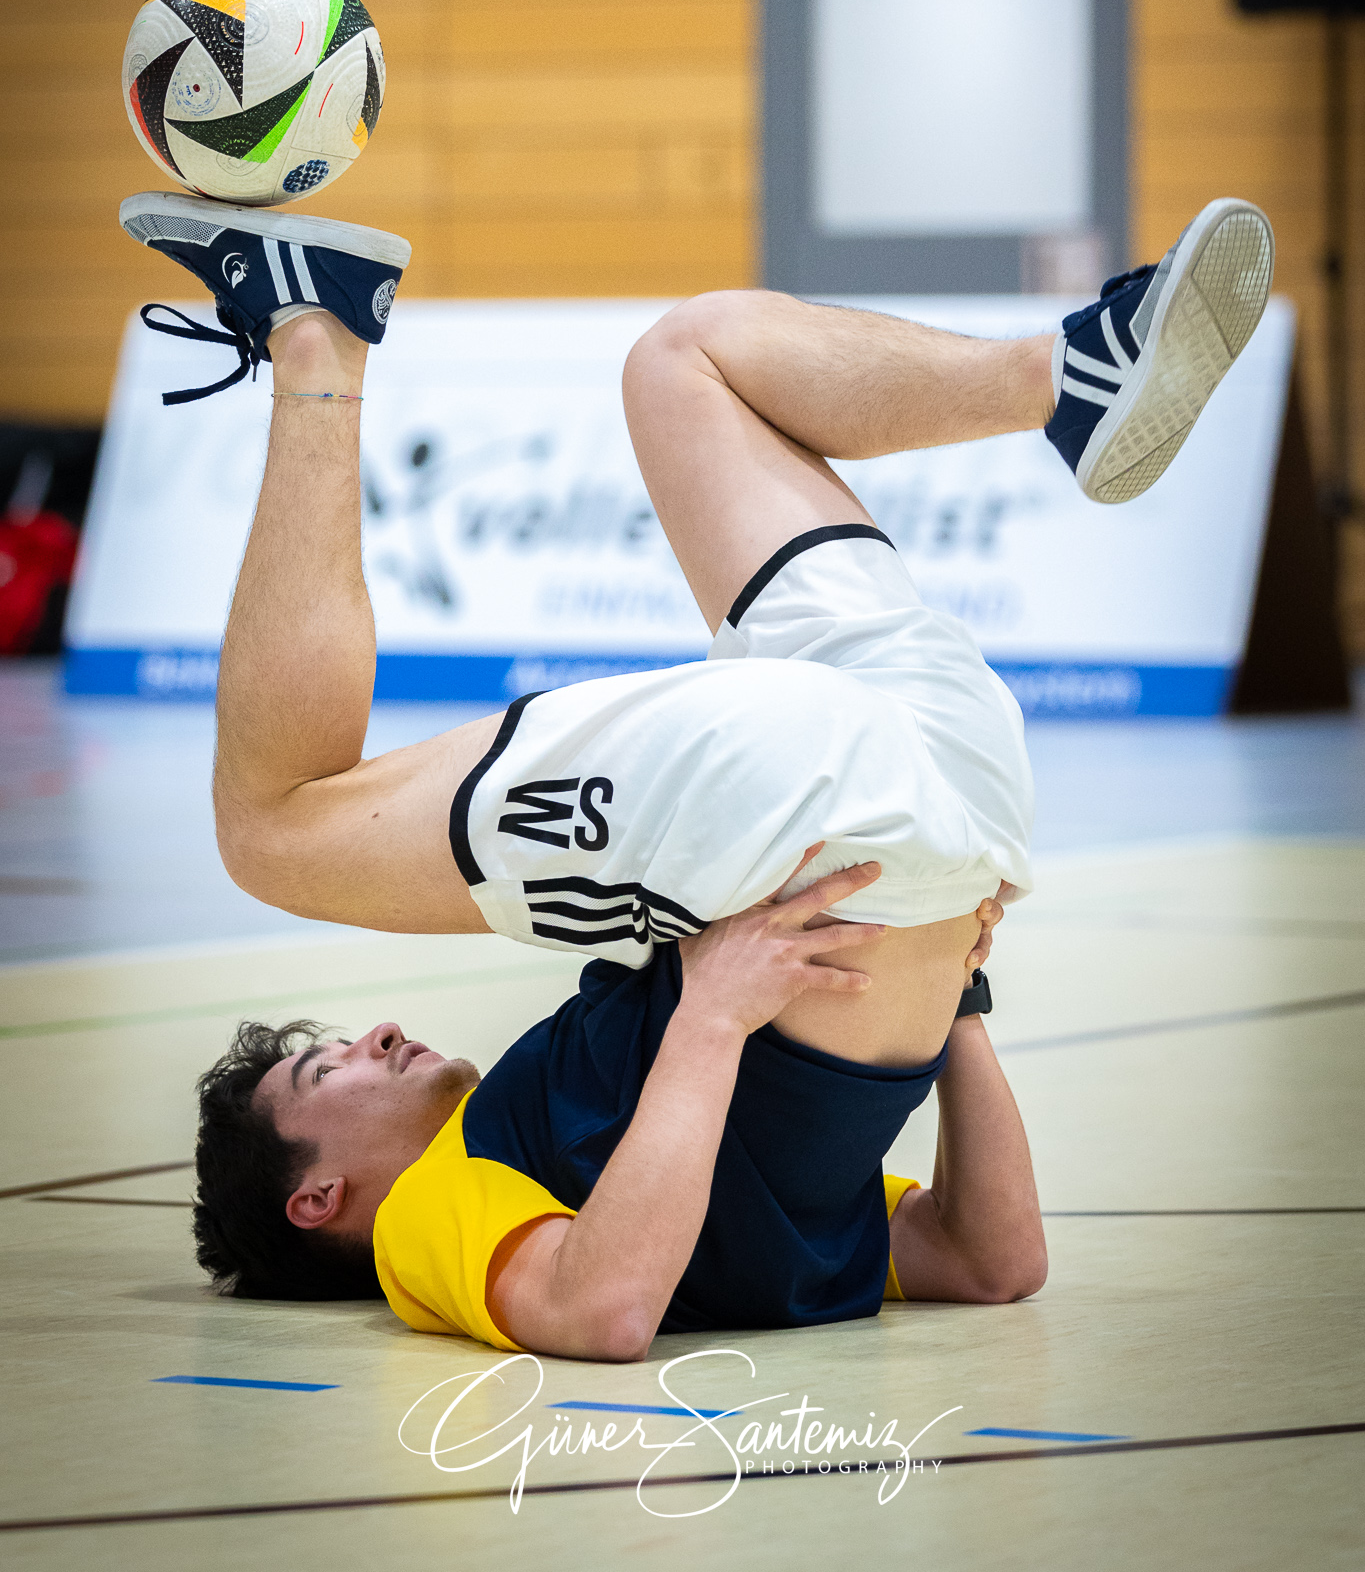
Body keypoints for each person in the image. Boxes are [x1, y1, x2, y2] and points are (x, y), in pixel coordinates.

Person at [121, 187, 1273, 1358]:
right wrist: (723, 1013)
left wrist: (953, 984)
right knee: (272, 832)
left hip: (962, 793)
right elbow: (602, 1308)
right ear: (317, 1201)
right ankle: (311, 328)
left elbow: (989, 1259)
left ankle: (1075, 371)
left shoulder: (703, 1226)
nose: (371, 1032)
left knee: (688, 361)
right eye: (324, 1069)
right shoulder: (426, 1222)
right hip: (800, 809)